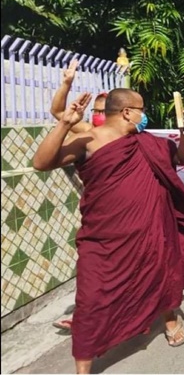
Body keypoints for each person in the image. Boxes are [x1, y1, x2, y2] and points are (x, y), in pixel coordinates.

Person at [33, 88, 184, 374]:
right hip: (104, 239)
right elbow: (41, 163)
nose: (144, 114)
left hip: (152, 232)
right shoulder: (89, 140)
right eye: (142, 108)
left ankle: (170, 319)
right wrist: (64, 123)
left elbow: (183, 159)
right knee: (90, 300)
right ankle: (83, 369)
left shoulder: (148, 143)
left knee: (162, 276)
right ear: (128, 112)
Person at [49, 58, 107, 332]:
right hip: (98, 212)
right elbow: (58, 111)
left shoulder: (132, 136)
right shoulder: (87, 132)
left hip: (130, 213)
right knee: (92, 269)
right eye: (96, 111)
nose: (98, 115)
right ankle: (85, 316)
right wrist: (66, 84)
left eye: (103, 111)